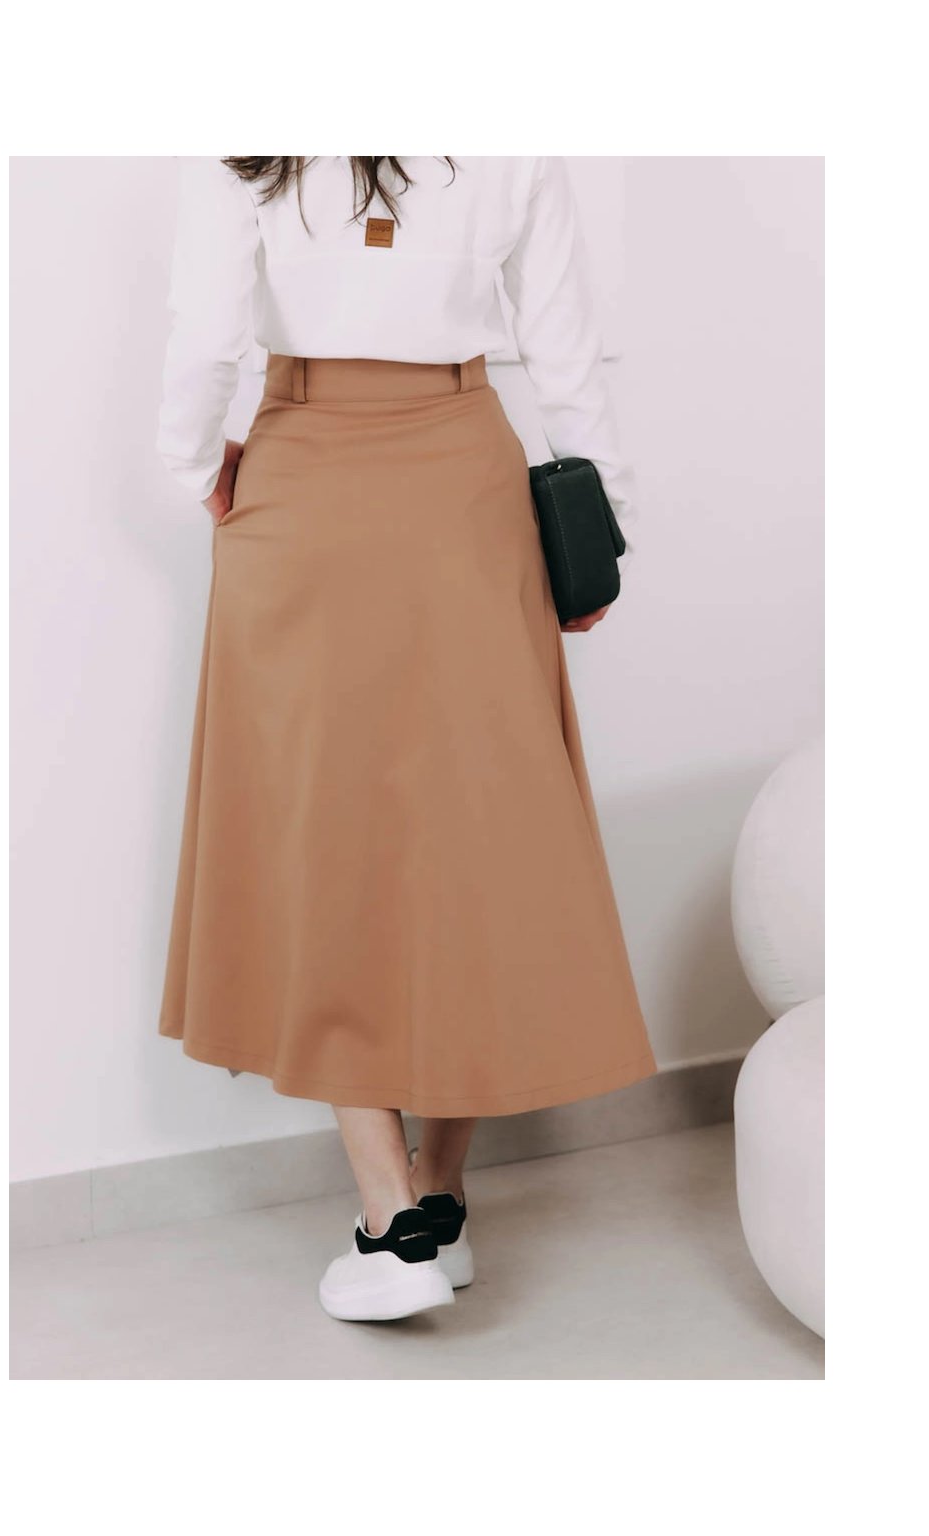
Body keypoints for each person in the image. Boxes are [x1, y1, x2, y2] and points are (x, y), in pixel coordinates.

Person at [155, 155, 657, 1323]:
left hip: (303, 483)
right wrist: (603, 533)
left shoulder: (246, 145)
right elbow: (568, 354)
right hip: (464, 484)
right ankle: (438, 1195)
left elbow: (204, 342)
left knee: (318, 839)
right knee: (472, 838)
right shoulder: (511, 146)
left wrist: (195, 465)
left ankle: (393, 1223)